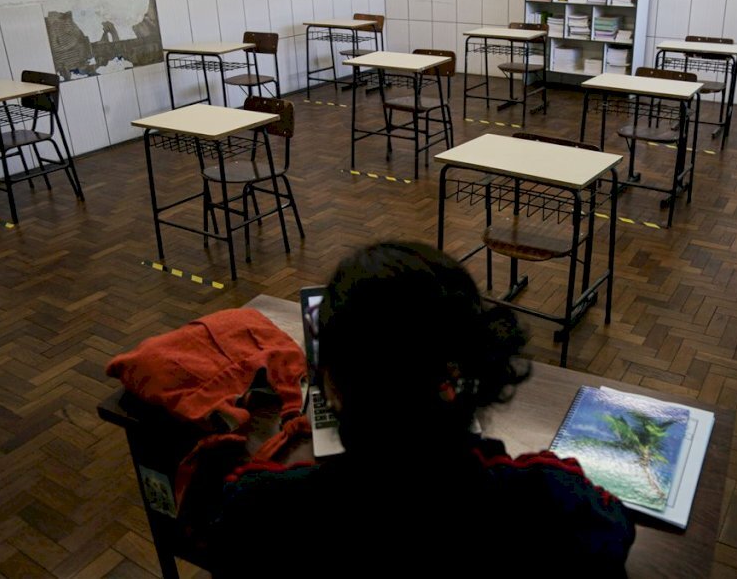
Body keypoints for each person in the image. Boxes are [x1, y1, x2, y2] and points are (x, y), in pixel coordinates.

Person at [206, 241, 635, 573]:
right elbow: (613, 525)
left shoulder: (258, 511)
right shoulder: (551, 504)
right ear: (462, 378)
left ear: (330, 385)